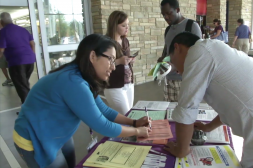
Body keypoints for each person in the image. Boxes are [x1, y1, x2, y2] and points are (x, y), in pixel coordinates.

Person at [164, 32, 253, 168]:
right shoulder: (214, 50)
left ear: (177, 47)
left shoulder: (198, 52)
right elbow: (234, 103)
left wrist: (181, 150)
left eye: (172, 60)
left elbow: (187, 107)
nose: (175, 70)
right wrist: (209, 126)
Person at [13, 34, 151, 168]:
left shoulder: (83, 76)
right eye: (110, 59)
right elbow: (103, 126)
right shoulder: (74, 82)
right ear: (92, 56)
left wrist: (134, 122)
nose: (113, 67)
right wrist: (137, 131)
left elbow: (104, 110)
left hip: (57, 132)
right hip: (35, 137)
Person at [157, 0, 202, 102]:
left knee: (184, 113)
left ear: (177, 10)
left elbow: (199, 55)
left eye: (169, 13)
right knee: (168, 111)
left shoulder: (191, 26)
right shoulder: (168, 30)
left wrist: (176, 66)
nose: (166, 17)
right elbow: (168, 51)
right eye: (163, 14)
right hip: (168, 79)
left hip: (185, 80)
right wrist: (162, 59)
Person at [0, 12, 36, 103]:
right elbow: (33, 44)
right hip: (30, 62)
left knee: (22, 87)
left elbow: (1, 50)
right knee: (24, 84)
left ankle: (29, 110)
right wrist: (32, 55)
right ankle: (29, 106)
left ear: (1, 22)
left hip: (17, 62)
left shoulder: (3, 32)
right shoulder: (23, 29)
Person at [104, 11, 135, 115]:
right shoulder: (106, 43)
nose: (127, 28)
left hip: (129, 83)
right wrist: (119, 61)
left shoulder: (125, 40)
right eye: (123, 25)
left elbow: (125, 61)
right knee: (125, 116)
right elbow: (103, 65)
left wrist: (129, 60)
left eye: (128, 25)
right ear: (114, 25)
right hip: (114, 86)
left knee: (129, 115)